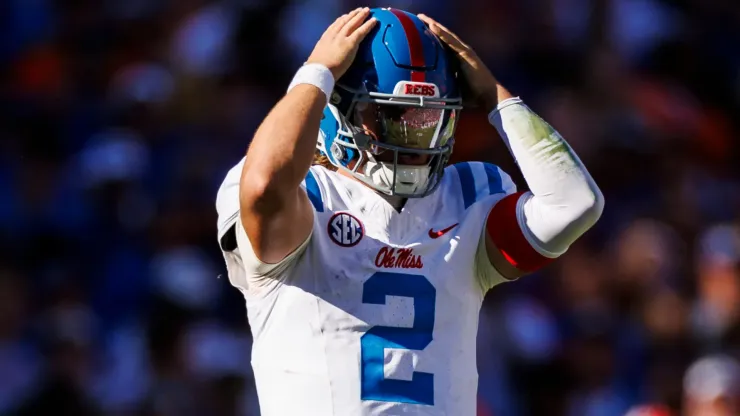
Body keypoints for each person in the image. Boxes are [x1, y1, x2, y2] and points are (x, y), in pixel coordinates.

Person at [216, 7, 604, 416]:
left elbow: (575, 204)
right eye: (394, 116)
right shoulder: (309, 196)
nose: (415, 137)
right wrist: (316, 73)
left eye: (428, 118)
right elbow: (263, 185)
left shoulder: (467, 198)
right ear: (338, 111)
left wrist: (497, 97)